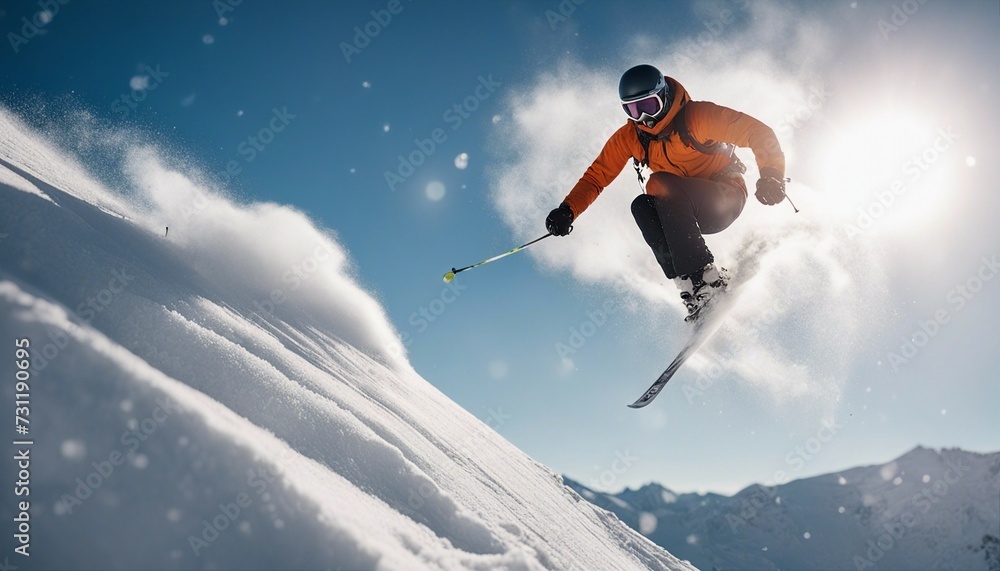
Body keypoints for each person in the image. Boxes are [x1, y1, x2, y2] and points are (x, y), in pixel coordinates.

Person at [545, 64, 787, 320]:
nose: (644, 118)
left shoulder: (697, 117)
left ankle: (706, 278)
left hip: (724, 198)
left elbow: (757, 132)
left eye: (649, 106)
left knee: (657, 184)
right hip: (682, 216)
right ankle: (690, 287)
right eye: (633, 110)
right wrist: (568, 210)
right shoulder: (631, 136)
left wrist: (771, 175)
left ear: (665, 97)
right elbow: (597, 176)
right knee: (641, 206)